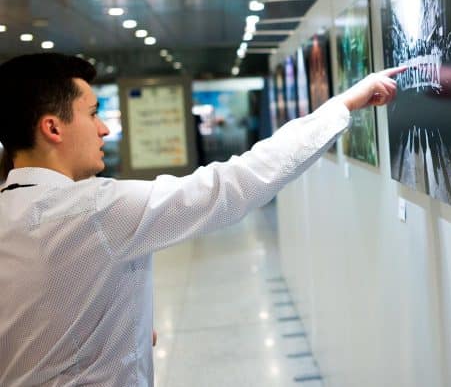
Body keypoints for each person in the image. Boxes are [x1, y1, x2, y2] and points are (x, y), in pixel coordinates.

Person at [0, 53, 404, 386]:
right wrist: (343, 105)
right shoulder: (94, 211)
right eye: (92, 114)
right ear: (52, 128)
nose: (103, 129)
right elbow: (234, 184)